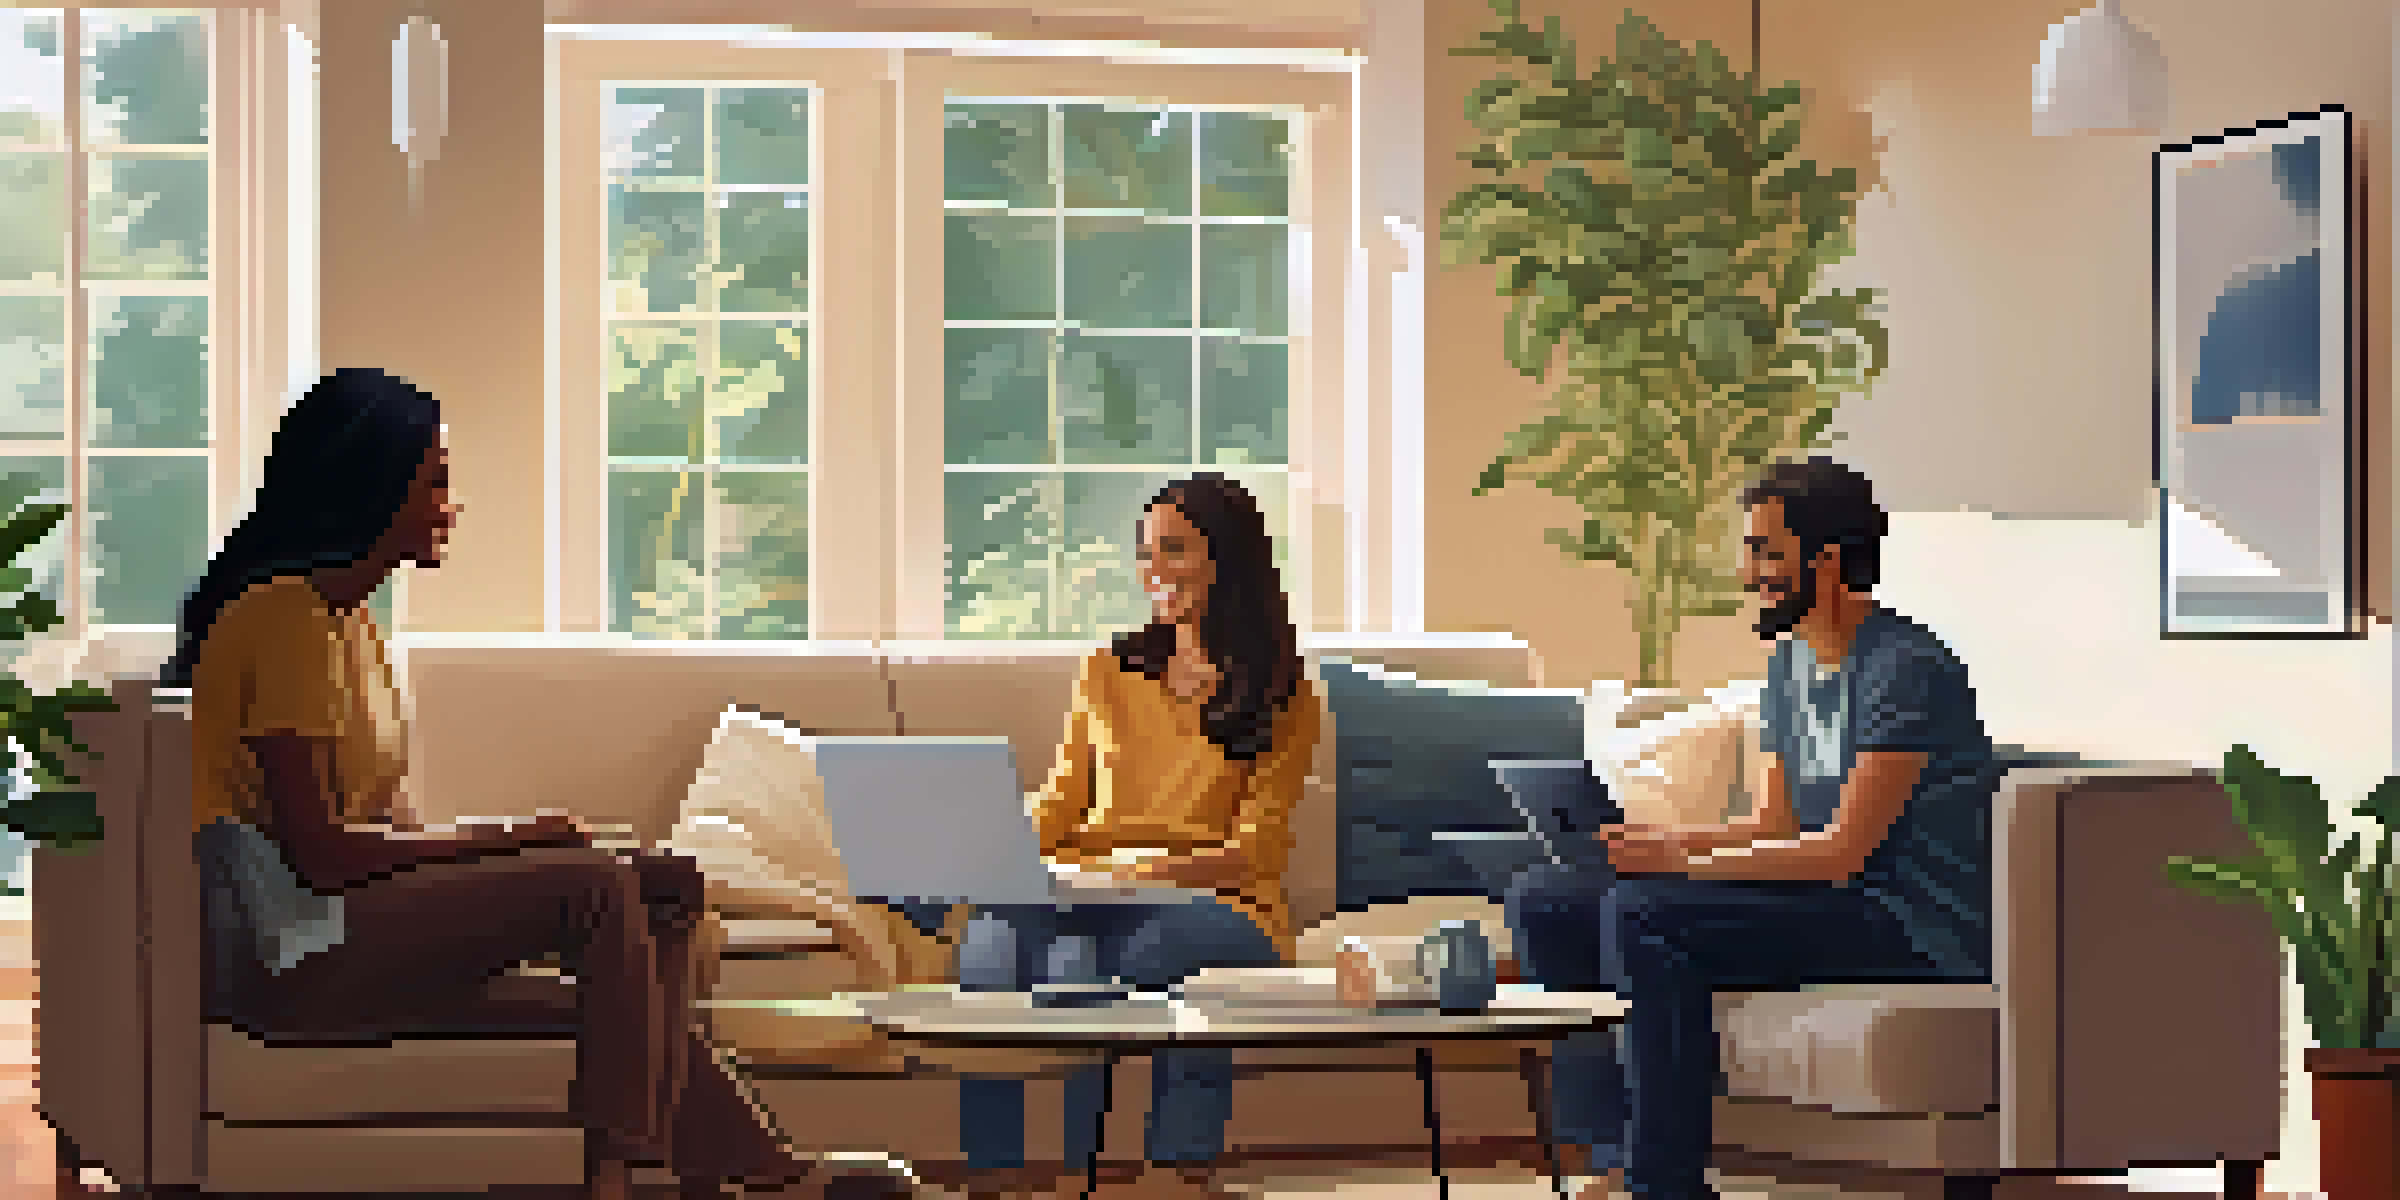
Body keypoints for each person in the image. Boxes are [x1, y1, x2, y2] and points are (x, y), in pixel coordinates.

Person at [166, 368, 922, 1200]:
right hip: (295, 956)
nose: (452, 501)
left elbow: (390, 826)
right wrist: (519, 840)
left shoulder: (355, 626)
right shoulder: (282, 619)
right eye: (438, 477)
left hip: (354, 929)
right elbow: (321, 856)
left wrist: (512, 852)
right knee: (592, 885)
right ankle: (623, 1177)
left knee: (659, 888)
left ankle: (760, 1177)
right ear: (375, 485)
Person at [1503, 457, 2000, 1200]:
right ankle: (1610, 1152)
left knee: (1645, 914)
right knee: (1548, 900)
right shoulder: (1790, 667)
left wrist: (1671, 868)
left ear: (1828, 560)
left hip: (1907, 920)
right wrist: (1655, 844)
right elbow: (1772, 822)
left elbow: (1842, 852)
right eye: (1750, 550)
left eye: (1767, 551)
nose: (1749, 572)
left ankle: (1664, 1184)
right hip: (1830, 901)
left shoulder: (1905, 671)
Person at [896, 474, 1319, 1199]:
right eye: (1146, 551)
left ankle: (1146, 1172)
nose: (1154, 569)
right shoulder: (1110, 669)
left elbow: (1257, 852)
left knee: (1118, 956)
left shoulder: (1284, 694)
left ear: (1228, 559)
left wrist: (1136, 874)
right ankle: (995, 1177)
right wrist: (987, 846)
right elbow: (1063, 800)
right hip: (1082, 889)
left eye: (1176, 550)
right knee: (993, 944)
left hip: (1216, 906)